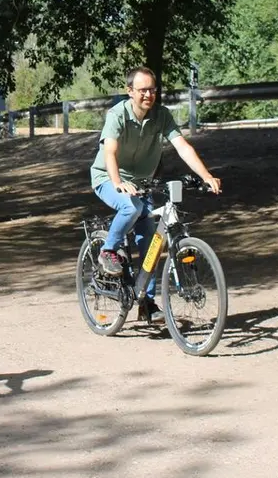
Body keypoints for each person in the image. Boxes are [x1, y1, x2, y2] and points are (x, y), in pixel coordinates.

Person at [90, 67, 222, 319]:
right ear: (130, 91)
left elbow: (182, 147)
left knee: (151, 241)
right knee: (132, 207)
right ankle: (108, 251)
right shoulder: (117, 114)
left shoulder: (161, 115)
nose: (148, 95)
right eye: (142, 90)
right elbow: (110, 152)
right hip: (108, 177)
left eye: (152, 89)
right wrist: (118, 182)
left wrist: (206, 175)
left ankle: (146, 302)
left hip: (142, 183)